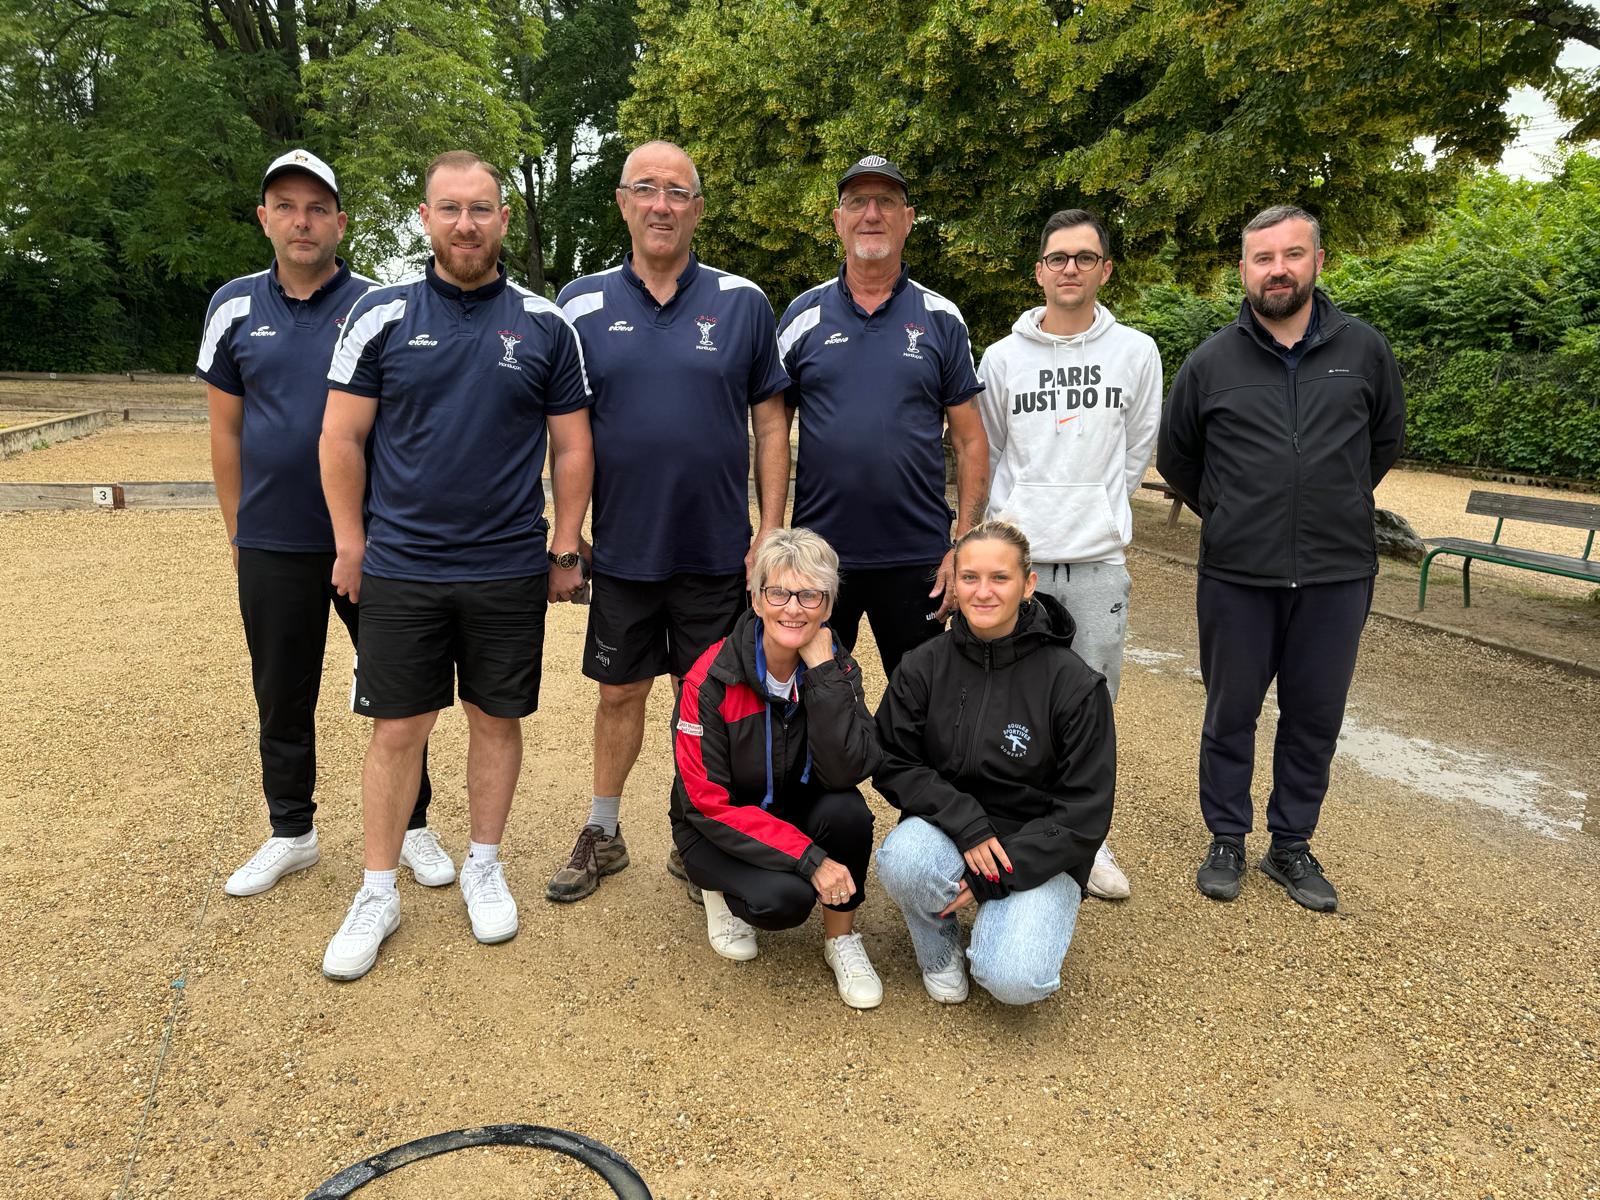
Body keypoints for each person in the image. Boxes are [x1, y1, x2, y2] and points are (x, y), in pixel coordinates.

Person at [317, 150, 594, 980]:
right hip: (402, 563)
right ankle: (376, 889)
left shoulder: (547, 324)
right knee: (398, 727)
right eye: (450, 209)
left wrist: (566, 543)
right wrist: (350, 542)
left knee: (493, 719)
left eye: (481, 209)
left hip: (508, 564)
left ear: (504, 219)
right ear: (426, 219)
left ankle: (483, 863)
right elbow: (340, 436)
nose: (466, 224)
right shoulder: (380, 313)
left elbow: (573, 445)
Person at [196, 149, 451, 900]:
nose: (301, 221)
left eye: (316, 208)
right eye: (286, 206)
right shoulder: (233, 307)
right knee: (282, 688)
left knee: (398, 689)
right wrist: (238, 531)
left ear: (340, 222)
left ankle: (413, 826)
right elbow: (224, 432)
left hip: (373, 539)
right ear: (264, 219)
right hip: (274, 538)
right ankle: (291, 831)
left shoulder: (380, 305)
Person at [548, 141, 790, 905]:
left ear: (697, 209)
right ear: (621, 202)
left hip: (716, 550)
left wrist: (771, 529)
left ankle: (696, 834)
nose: (661, 204)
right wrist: (567, 532)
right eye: (645, 189)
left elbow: (773, 425)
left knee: (705, 699)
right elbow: (561, 428)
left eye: (677, 192)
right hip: (623, 550)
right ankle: (604, 831)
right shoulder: (579, 305)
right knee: (619, 695)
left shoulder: (744, 302)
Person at [1157, 205, 1404, 913]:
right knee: (1230, 712)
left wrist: (1328, 503)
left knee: (1314, 717)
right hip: (1238, 573)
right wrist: (1237, 512)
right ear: (1243, 270)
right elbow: (1179, 457)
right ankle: (1227, 838)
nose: (1278, 269)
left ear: (1318, 261)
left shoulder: (1365, 350)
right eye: (1263, 258)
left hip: (1337, 571)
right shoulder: (1211, 362)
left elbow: (1382, 443)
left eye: (1292, 255)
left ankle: (1290, 844)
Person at [974, 208, 1161, 903]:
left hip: (1094, 559)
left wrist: (1096, 509)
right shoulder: (1001, 359)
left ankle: (1087, 840)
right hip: (1017, 563)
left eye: (1085, 257)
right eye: (1058, 257)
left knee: (1089, 709)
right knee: (1006, 699)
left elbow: (1137, 448)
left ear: (1105, 269)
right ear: (1040, 271)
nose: (1071, 268)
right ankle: (1011, 826)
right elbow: (990, 452)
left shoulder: (1136, 352)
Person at [874, 520, 1114, 1005]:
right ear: (954, 581)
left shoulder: (1074, 684)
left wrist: (998, 875)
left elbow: (1085, 814)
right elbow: (891, 759)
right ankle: (939, 950)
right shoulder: (923, 664)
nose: (983, 592)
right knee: (904, 859)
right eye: (970, 578)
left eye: (999, 578)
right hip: (953, 828)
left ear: (1028, 584)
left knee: (1013, 982)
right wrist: (966, 823)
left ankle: (1006, 926)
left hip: (1038, 849)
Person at [777, 154, 988, 680]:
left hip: (917, 556)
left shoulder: (942, 318)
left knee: (920, 704)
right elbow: (770, 432)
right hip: (820, 555)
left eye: (886, 202)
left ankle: (905, 770)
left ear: (908, 218)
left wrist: (962, 542)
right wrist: (772, 536)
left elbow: (970, 441)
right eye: (857, 203)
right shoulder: (801, 316)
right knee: (813, 700)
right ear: (837, 219)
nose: (871, 214)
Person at [670, 529, 884, 1009]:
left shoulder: (838, 667)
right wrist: (810, 859)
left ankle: (841, 940)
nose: (793, 608)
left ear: (828, 606)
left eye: (810, 595)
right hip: (714, 832)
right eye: (779, 592)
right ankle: (719, 892)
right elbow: (706, 804)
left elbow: (849, 770)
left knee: (850, 813)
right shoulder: (710, 678)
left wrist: (825, 679)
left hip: (794, 808)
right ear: (757, 597)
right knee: (785, 901)